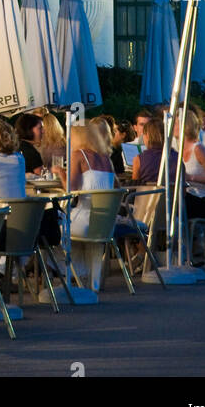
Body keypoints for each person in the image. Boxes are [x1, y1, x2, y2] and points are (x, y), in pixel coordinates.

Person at [65, 123, 116, 291]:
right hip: (105, 223)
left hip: (85, 220)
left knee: (48, 228)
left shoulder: (78, 155)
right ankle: (89, 277)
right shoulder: (107, 159)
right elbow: (116, 187)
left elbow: (71, 189)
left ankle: (72, 273)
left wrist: (59, 172)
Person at [175, 112, 205, 264]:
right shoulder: (176, 149)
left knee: (175, 206)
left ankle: (184, 255)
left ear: (185, 126)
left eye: (176, 124)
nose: (172, 127)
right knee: (166, 204)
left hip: (203, 200)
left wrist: (191, 178)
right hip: (187, 197)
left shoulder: (198, 149)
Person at [130, 119, 176, 186]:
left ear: (147, 136)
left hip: (146, 195)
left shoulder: (138, 160)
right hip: (173, 196)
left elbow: (134, 187)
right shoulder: (177, 157)